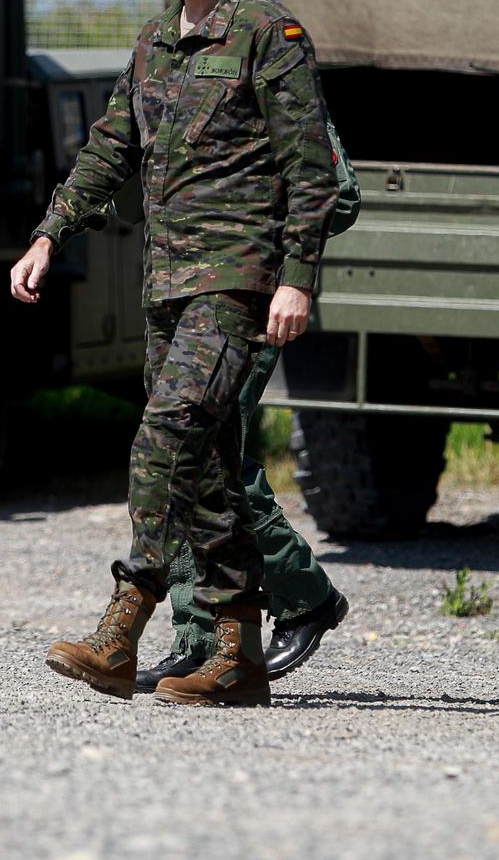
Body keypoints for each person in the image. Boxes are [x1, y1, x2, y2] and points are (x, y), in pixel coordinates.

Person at [12, 0, 339, 708]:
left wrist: (297, 278)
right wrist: (52, 232)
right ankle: (236, 656)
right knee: (205, 468)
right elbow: (109, 147)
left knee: (163, 440)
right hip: (168, 285)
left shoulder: (270, 31)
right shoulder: (155, 42)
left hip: (238, 282)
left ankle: (123, 625)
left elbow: (311, 170)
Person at [137, 118, 360, 694]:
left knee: (209, 463)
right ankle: (200, 640)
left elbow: (340, 195)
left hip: (243, 305)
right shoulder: (172, 66)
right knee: (184, 466)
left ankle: (302, 595)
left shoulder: (271, 77)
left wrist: (260, 249)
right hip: (177, 304)